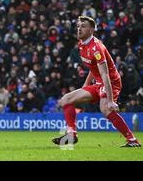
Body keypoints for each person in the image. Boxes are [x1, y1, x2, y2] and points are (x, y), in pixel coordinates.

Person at [52, 16, 141, 148]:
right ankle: (71, 134)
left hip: (110, 81)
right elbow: (92, 68)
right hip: (99, 82)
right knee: (66, 100)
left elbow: (105, 75)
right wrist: (86, 85)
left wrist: (111, 101)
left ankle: (132, 140)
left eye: (83, 26)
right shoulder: (82, 44)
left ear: (92, 30)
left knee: (105, 109)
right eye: (78, 26)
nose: (79, 29)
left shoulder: (96, 48)